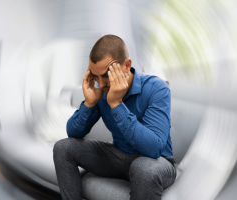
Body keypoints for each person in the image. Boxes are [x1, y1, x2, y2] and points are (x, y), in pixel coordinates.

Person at [53, 35, 176, 200]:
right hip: (118, 156)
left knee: (143, 169)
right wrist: (90, 104)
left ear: (127, 65)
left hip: (156, 161)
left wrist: (117, 104)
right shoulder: (101, 90)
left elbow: (153, 149)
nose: (101, 84)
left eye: (106, 75)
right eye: (96, 76)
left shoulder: (156, 88)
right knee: (63, 148)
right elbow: (73, 133)